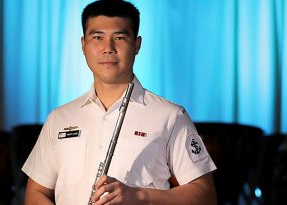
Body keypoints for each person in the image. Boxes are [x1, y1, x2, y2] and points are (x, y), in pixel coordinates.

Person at [22, 0, 217, 204]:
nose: (108, 48)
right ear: (83, 44)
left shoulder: (170, 116)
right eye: (97, 37)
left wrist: (139, 195)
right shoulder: (59, 118)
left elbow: (205, 194)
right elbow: (36, 193)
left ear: (137, 45)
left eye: (119, 37)